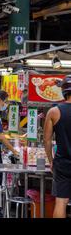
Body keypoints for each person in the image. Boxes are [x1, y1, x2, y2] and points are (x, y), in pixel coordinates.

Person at [44, 75, 71, 218]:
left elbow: (47, 140)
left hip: (62, 163)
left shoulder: (54, 112)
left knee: (61, 202)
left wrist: (51, 160)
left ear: (63, 92)